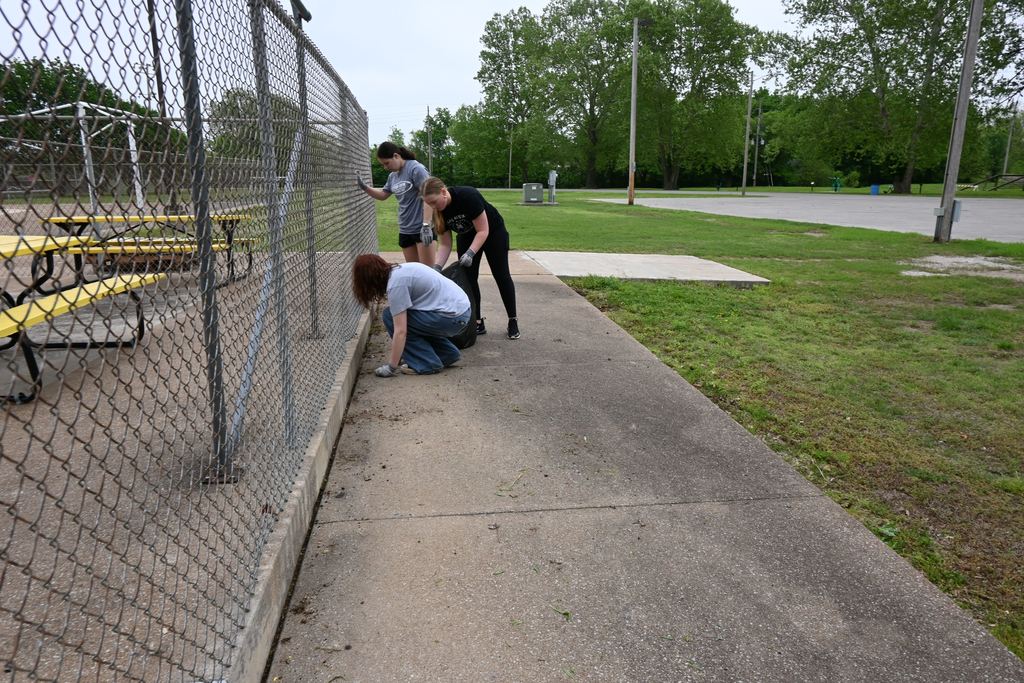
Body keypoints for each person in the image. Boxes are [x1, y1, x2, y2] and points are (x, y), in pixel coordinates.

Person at [421, 177, 520, 340]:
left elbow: (483, 230)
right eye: (428, 204)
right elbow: (445, 244)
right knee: (469, 279)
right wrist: (437, 267)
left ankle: (512, 320)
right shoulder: (438, 212)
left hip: (493, 233)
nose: (432, 207)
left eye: (433, 202)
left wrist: (470, 253)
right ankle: (477, 321)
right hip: (466, 236)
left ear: (443, 192)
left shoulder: (467, 196)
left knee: (501, 275)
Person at [351, 254, 471, 376]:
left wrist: (391, 367)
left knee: (389, 317)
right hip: (462, 312)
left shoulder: (396, 285)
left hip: (452, 318)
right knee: (412, 321)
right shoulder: (401, 270)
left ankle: (427, 363)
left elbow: (401, 331)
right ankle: (447, 354)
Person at [357, 142, 435, 264]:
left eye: (387, 163)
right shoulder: (392, 176)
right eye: (383, 165)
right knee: (414, 273)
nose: (386, 167)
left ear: (396, 156)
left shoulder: (416, 169)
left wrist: (426, 225)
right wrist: (365, 187)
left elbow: (429, 197)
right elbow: (383, 195)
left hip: (421, 229)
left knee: (428, 273)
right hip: (405, 229)